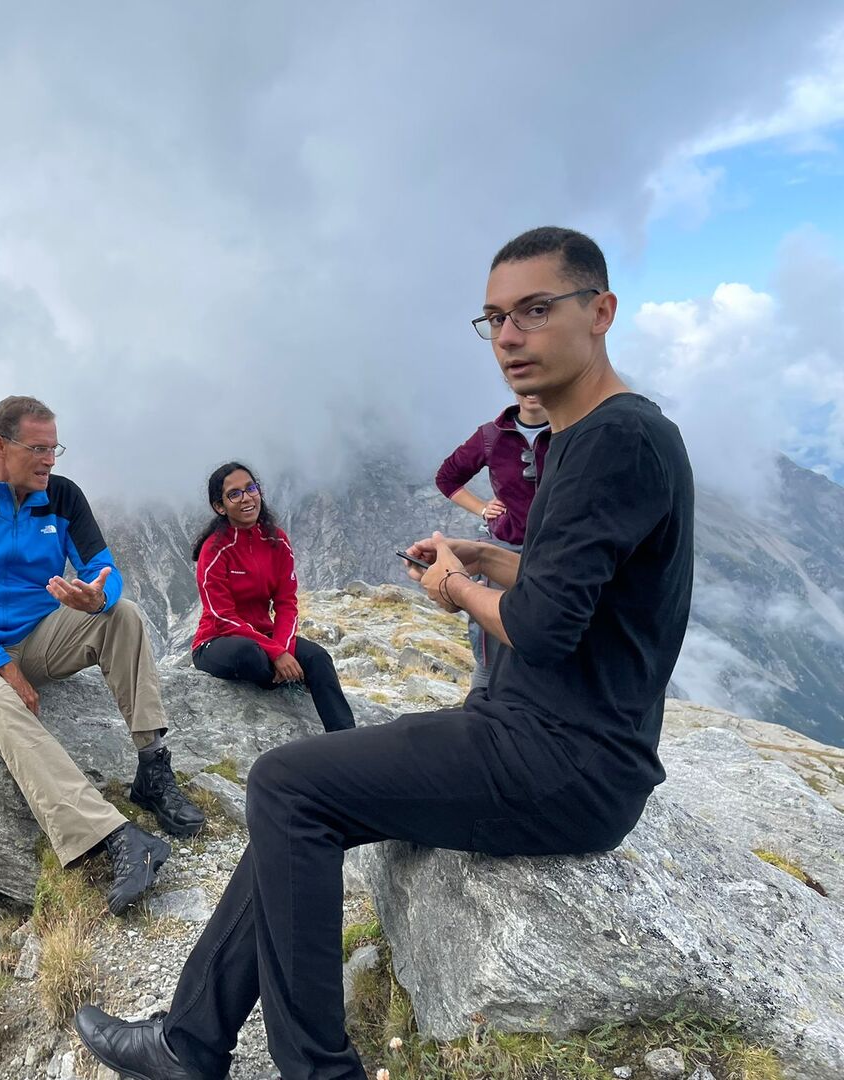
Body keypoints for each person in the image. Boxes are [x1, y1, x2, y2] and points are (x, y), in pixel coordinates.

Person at [73, 226, 694, 1079]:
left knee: (285, 785)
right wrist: (488, 559)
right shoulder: (601, 435)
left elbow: (545, 627)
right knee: (299, 797)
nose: (509, 336)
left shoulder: (610, 442)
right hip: (549, 742)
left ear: (601, 312)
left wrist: (455, 587)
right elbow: (576, 588)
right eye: (495, 319)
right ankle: (189, 1043)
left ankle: (311, 1070)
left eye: (535, 310)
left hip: (558, 759)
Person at [0, 395, 205, 917]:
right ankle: (115, 836)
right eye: (38, 449)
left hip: (36, 635)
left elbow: (104, 572)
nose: (50, 460)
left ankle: (153, 768)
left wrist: (97, 598)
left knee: (124, 615)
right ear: (0, 446)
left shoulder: (63, 496)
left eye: (54, 449)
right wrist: (2, 666)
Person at [190, 462, 354, 732]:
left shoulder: (277, 541)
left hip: (264, 637)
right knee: (249, 655)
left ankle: (346, 739)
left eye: (251, 488)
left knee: (318, 658)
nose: (246, 498)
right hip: (216, 640)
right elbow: (223, 617)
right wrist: (277, 654)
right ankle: (283, 675)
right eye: (234, 494)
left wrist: (283, 649)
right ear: (220, 507)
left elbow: (287, 603)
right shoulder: (215, 550)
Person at [435, 391, 553, 688]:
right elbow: (447, 477)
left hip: (554, 550)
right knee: (491, 643)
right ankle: (481, 700)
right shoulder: (491, 436)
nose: (531, 392)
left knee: (550, 630)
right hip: (505, 544)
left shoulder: (571, 431)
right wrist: (482, 508)